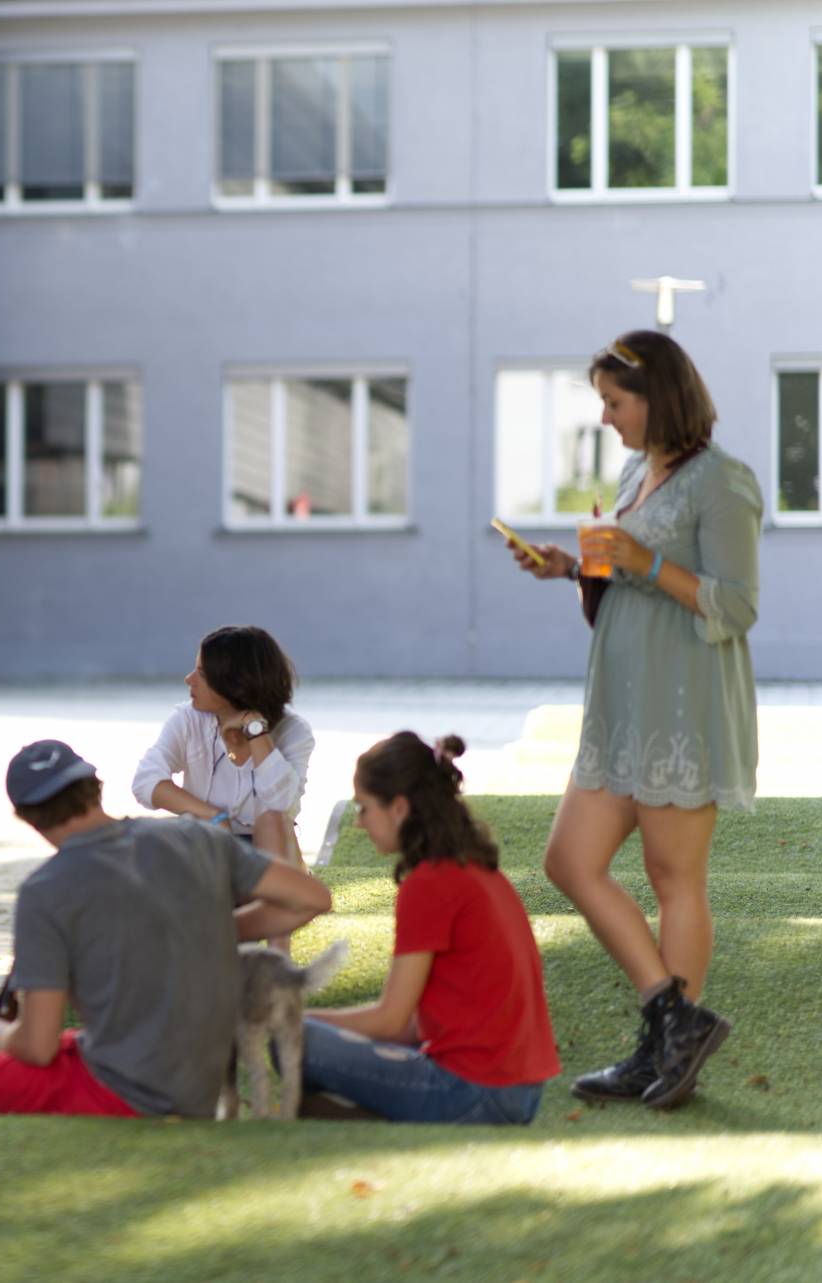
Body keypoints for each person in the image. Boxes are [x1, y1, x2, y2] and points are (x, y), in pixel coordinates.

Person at [505, 331, 757, 1110]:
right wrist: (572, 566)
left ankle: (664, 1051)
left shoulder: (724, 482)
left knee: (673, 877)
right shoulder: (632, 472)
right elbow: (626, 573)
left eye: (615, 403)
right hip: (622, 703)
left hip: (683, 703)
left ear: (660, 397)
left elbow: (736, 604)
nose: (607, 418)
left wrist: (642, 562)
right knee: (569, 861)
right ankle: (672, 1021)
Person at [0, 740, 332, 1116]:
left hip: (122, 1092)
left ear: (28, 818)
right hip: (196, 1081)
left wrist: (1, 1035)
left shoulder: (46, 891)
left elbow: (38, 1047)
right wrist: (209, 928)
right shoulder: (195, 838)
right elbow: (311, 899)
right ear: (96, 787)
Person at [301, 733, 559, 1124]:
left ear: (399, 808)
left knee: (297, 1039)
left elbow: (390, 1020)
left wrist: (292, 1018)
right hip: (518, 1095)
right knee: (303, 1036)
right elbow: (411, 1027)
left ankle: (357, 1116)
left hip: (473, 1092)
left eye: (364, 807)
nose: (358, 822)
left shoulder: (430, 882)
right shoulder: (475, 869)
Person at [132, 625, 314, 945]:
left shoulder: (292, 731)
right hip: (209, 844)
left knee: (272, 822)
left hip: (270, 854)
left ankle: (276, 957)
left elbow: (282, 804)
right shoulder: (188, 720)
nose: (189, 679)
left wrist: (256, 732)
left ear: (233, 683)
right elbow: (146, 781)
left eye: (202, 673)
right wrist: (214, 816)